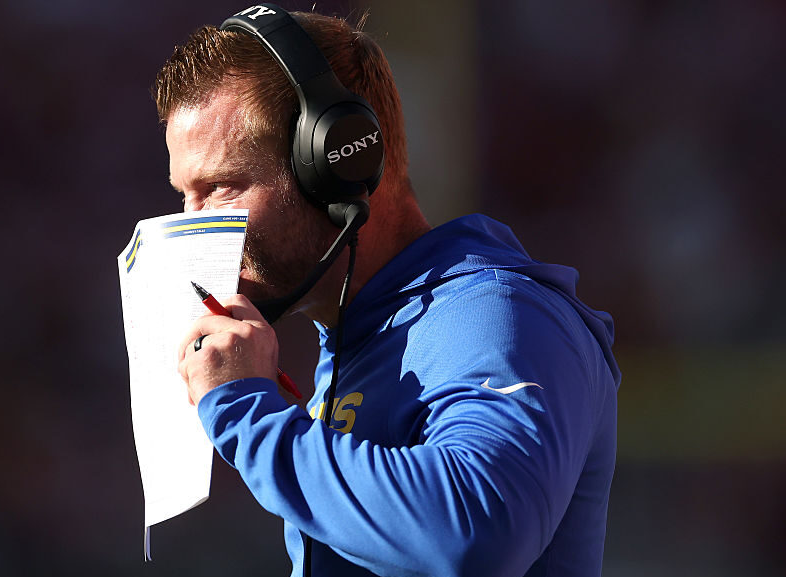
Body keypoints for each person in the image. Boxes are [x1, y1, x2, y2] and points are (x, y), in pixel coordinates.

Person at [154, 5, 620, 577]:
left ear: (336, 162)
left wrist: (248, 417)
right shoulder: (360, 335)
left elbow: (475, 533)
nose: (189, 229)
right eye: (185, 196)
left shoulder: (497, 316)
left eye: (220, 188)